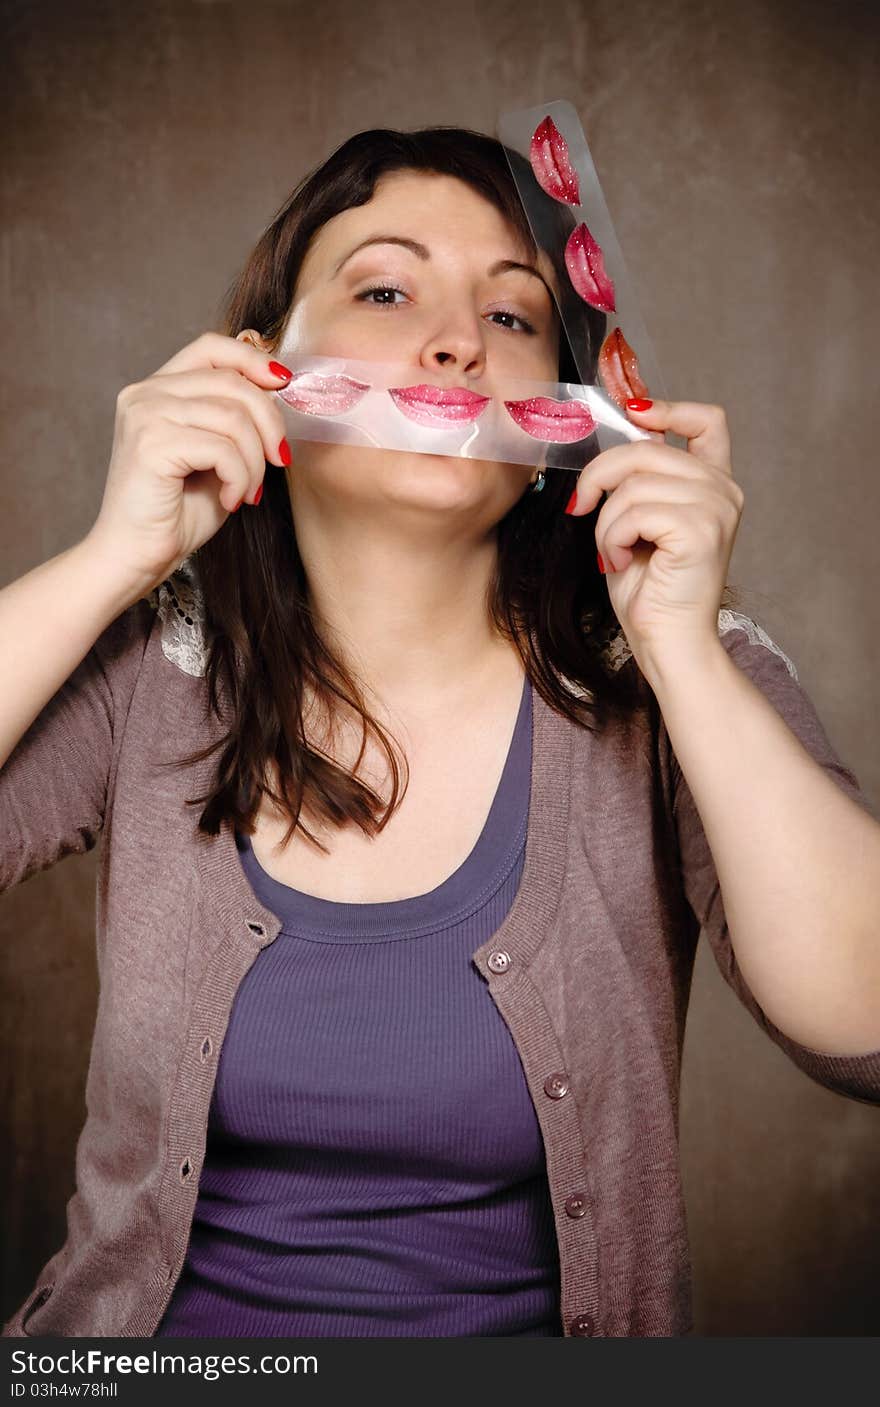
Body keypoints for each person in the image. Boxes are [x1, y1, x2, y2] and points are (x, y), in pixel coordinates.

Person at [2, 127, 879, 1341]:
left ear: (560, 420)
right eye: (384, 288)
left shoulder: (678, 673)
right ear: (256, 368)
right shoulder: (152, 666)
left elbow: (866, 1028)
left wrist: (679, 649)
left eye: (513, 319)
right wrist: (114, 559)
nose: (459, 341)